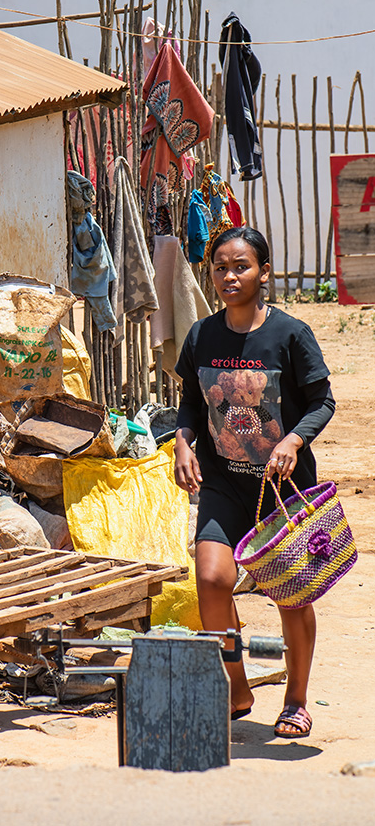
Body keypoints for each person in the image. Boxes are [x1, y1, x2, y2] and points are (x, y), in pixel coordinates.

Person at [174, 226, 335, 739]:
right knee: (212, 582)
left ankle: (295, 700)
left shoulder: (291, 335)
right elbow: (191, 406)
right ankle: (237, 688)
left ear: (263, 272)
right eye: (220, 266)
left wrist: (293, 441)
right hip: (224, 483)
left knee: (292, 594)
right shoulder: (202, 335)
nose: (229, 275)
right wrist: (182, 443)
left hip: (282, 492)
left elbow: (322, 402)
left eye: (241, 266)